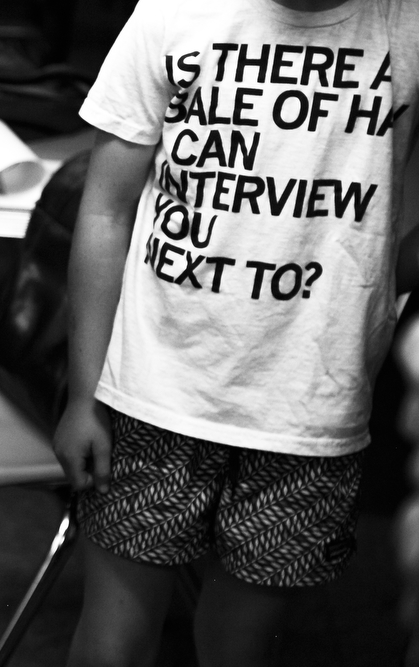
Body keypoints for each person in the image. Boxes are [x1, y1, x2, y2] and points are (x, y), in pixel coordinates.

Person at [52, 0, 419, 665]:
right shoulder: (174, 13)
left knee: (239, 649)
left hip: (309, 406)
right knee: (113, 643)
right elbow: (105, 207)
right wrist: (83, 395)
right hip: (153, 390)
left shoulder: (407, 25)